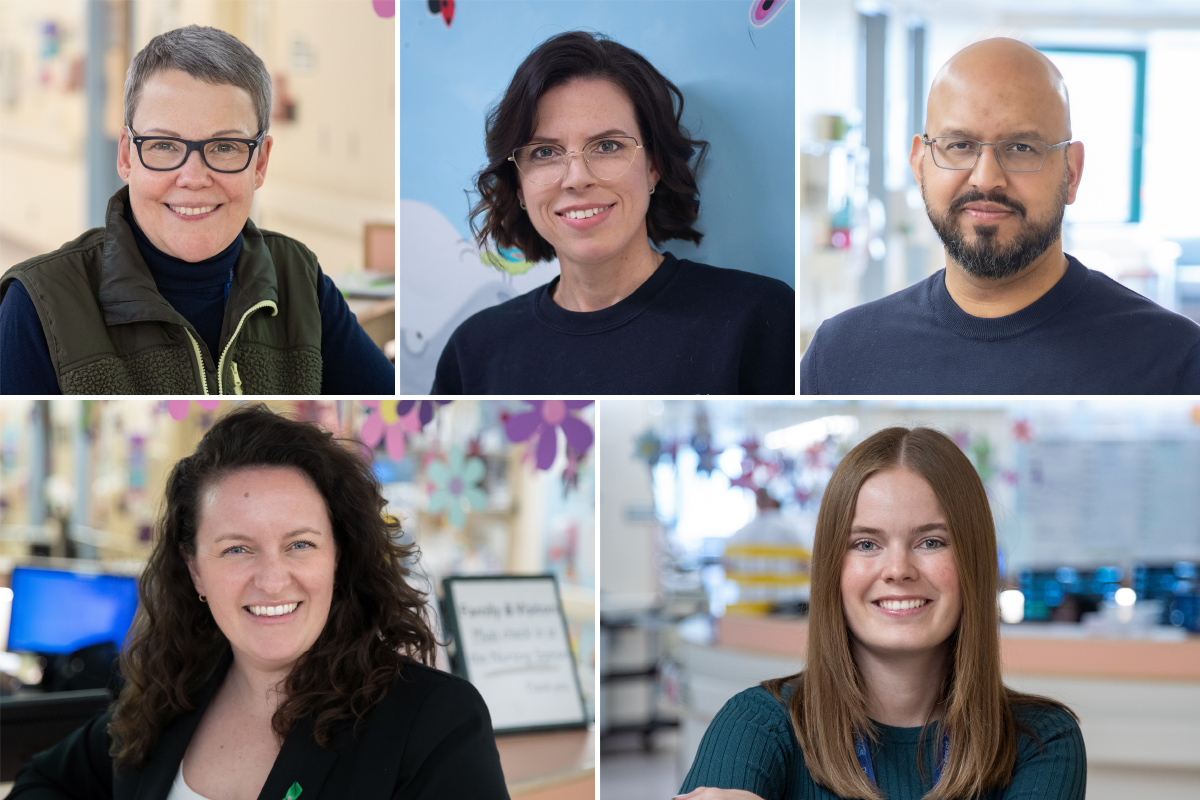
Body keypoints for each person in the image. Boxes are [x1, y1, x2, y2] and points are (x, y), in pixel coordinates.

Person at [11, 406, 509, 799]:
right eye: (237, 549)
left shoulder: (433, 722)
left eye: (299, 544)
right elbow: (43, 782)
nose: (272, 580)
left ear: (339, 555)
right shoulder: (168, 692)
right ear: (195, 569)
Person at [678, 427, 1086, 800]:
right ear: (832, 568)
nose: (897, 570)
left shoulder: (1043, 740)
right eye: (866, 544)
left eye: (930, 542)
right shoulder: (757, 726)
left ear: (973, 564)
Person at [0, 25, 394, 395]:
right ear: (126, 155)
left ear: (259, 163)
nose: (193, 177)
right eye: (164, 145)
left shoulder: (299, 278)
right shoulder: (37, 307)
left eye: (224, 147)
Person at [800, 38, 1200, 394]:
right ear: (920, 164)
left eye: (1022, 148)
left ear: (1072, 172)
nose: (987, 179)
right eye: (959, 145)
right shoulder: (839, 354)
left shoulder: (1175, 361)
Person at [431, 31, 795, 394]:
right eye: (544, 152)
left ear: (654, 166)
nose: (577, 178)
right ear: (519, 185)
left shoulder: (761, 318)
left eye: (607, 146)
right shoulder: (473, 351)